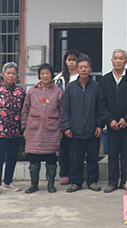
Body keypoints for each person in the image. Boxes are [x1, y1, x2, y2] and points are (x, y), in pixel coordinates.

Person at [99, 49, 127, 193]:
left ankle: (126, 181)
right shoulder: (105, 80)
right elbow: (101, 103)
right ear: (111, 61)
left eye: (121, 58)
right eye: (115, 58)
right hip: (112, 125)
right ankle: (112, 181)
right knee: (113, 154)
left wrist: (126, 118)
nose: (118, 61)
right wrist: (109, 120)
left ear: (126, 61)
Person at [62, 54, 103, 192]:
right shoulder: (70, 87)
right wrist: (66, 126)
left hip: (93, 129)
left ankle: (92, 181)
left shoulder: (97, 87)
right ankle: (76, 182)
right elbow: (66, 109)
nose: (84, 70)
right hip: (75, 130)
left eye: (86, 67)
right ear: (77, 69)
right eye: (81, 67)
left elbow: (100, 108)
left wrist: (100, 125)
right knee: (76, 159)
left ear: (90, 69)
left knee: (93, 158)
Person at [0, 62, 26, 196]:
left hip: (15, 131)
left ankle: (8, 181)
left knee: (12, 157)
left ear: (17, 75)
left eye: (13, 73)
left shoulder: (20, 92)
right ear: (3, 75)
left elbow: (24, 111)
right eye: (8, 73)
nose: (11, 76)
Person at [21, 63, 64, 193]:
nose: (45, 76)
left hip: (52, 131)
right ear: (39, 75)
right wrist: (24, 128)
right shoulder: (32, 91)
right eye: (42, 73)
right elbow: (25, 110)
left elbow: (62, 112)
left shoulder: (58, 92)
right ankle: (34, 185)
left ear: (52, 75)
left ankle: (51, 184)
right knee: (34, 159)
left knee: (51, 159)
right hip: (33, 130)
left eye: (48, 73)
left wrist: (61, 129)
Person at [53, 49, 79, 185]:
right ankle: (64, 174)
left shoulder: (81, 77)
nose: (72, 63)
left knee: (76, 149)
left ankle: (75, 174)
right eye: (69, 60)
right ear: (65, 61)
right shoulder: (59, 79)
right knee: (64, 149)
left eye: (74, 60)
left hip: (78, 118)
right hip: (63, 118)